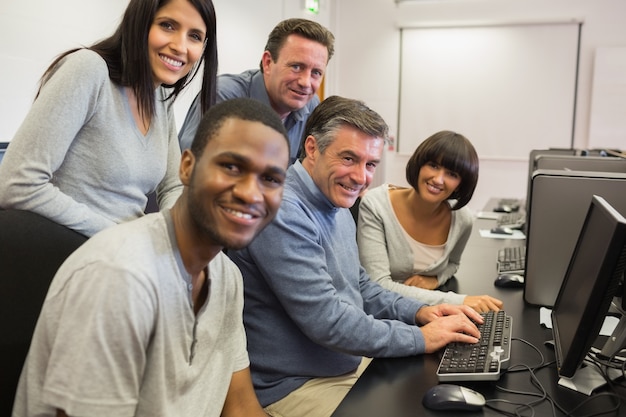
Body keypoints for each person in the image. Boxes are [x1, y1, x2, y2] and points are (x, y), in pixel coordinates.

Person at [11, 97, 291, 417]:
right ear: (186, 166)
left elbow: (239, 406)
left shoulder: (226, 276)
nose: (251, 193)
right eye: (231, 166)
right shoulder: (119, 277)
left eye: (270, 179)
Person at [227, 96, 484, 417]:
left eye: (371, 164)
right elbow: (327, 320)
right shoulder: (283, 210)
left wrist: (421, 312)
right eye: (349, 158)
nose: (361, 177)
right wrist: (419, 338)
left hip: (342, 363)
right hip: (297, 383)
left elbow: (361, 286)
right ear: (311, 148)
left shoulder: (335, 201)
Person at [0, 0, 218, 237]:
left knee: (225, 270)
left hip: (124, 248)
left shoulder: (160, 94)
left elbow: (174, 185)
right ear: (140, 24)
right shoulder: (90, 69)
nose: (180, 46)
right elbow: (17, 184)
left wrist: (167, 233)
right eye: (167, 25)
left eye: (195, 36)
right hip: (71, 243)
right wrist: (120, 237)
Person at [357, 131, 504, 313]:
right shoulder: (375, 205)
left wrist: (434, 280)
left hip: (428, 315)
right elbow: (378, 285)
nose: (438, 179)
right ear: (419, 165)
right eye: (433, 166)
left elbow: (453, 264)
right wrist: (458, 301)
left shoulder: (462, 218)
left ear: (461, 183)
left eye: (451, 174)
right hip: (383, 315)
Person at [178, 17, 335, 164]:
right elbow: (194, 167)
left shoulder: (312, 107)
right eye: (296, 67)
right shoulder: (223, 95)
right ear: (267, 62)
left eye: (316, 73)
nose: (305, 83)